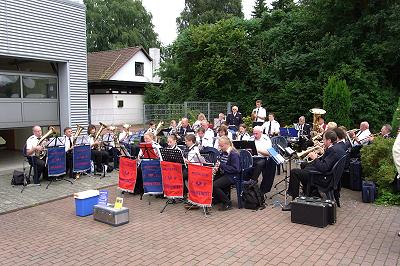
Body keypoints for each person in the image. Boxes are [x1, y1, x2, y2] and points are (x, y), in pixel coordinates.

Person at [284, 130, 346, 210]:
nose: (322, 142)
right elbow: (326, 161)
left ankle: (294, 201)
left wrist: (315, 158)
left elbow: (324, 168)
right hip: (327, 174)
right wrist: (321, 152)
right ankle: (309, 191)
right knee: (305, 165)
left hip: (324, 178)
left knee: (294, 172)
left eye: (324, 140)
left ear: (329, 140)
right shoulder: (336, 147)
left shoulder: (333, 150)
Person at [212, 136, 240, 211]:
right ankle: (217, 199)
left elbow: (236, 169)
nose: (220, 147)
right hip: (224, 174)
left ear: (227, 144)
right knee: (210, 180)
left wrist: (222, 165)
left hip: (232, 176)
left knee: (215, 185)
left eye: (221, 146)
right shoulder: (223, 152)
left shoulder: (233, 154)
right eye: (219, 145)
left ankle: (227, 202)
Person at [250, 126, 276, 195]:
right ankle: (246, 181)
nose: (254, 135)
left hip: (263, 158)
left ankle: (253, 181)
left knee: (260, 164)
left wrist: (258, 150)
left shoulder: (266, 139)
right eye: (254, 133)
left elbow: (270, 153)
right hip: (252, 158)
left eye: (256, 134)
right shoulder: (251, 138)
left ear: (261, 132)